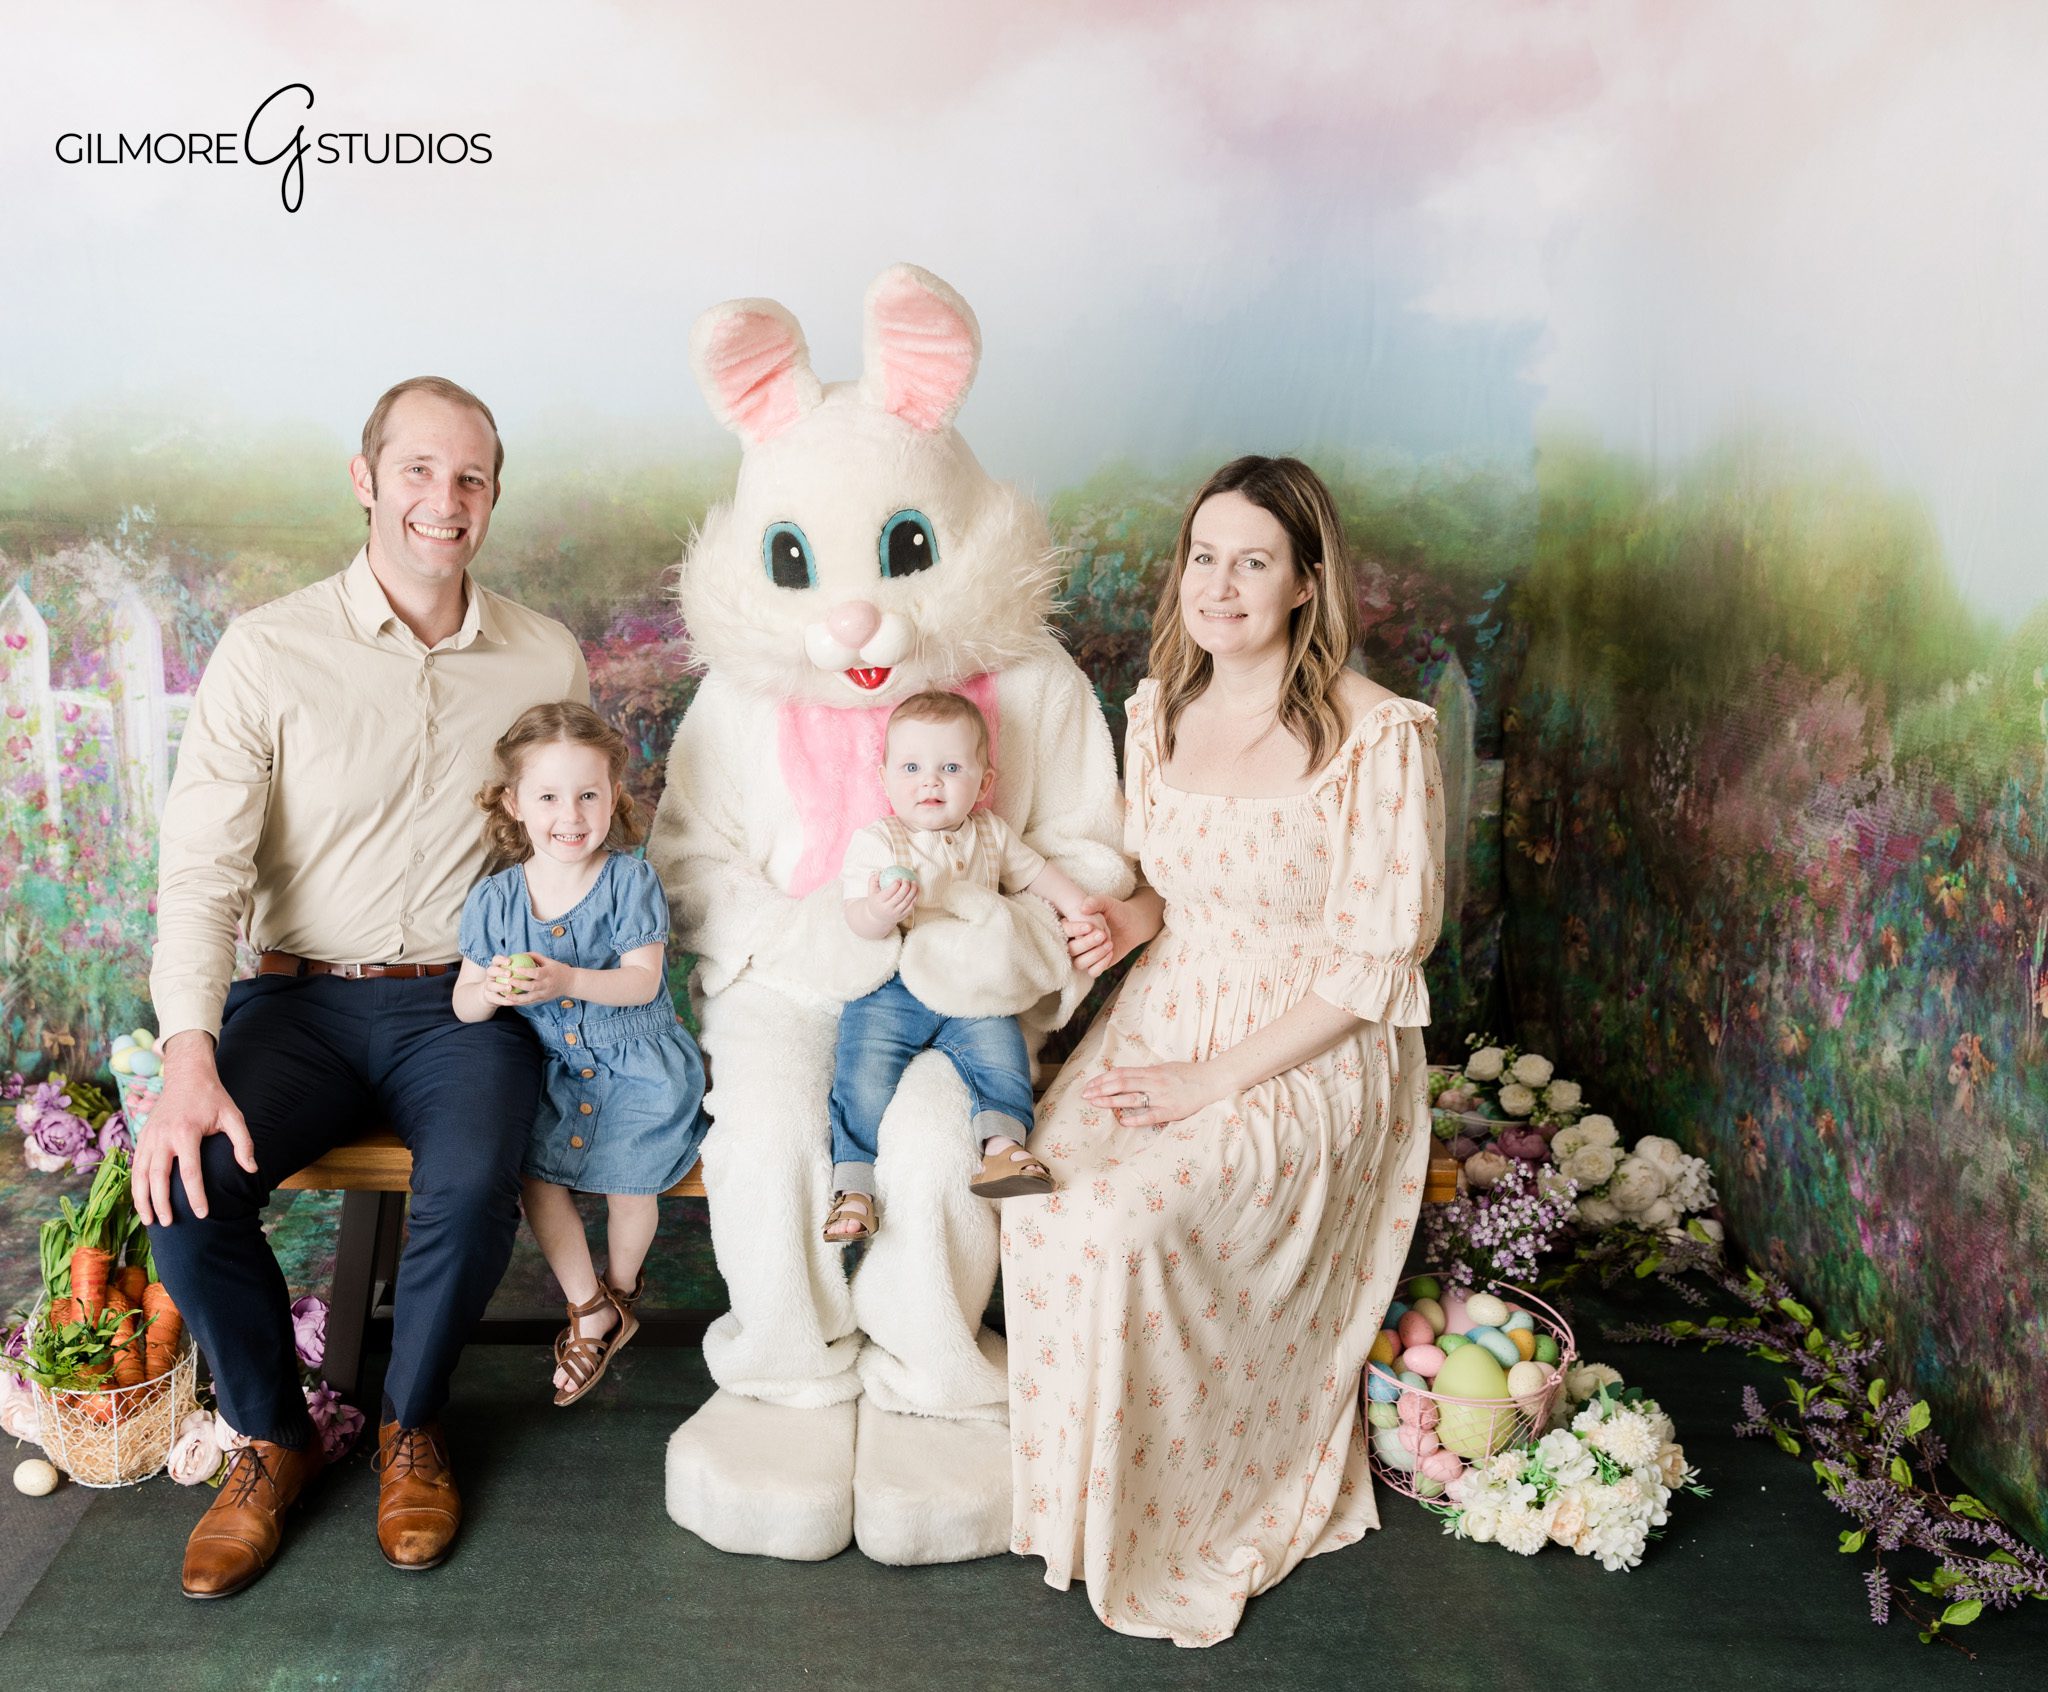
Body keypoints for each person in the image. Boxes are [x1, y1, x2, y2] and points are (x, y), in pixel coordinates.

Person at [135, 377, 589, 1599]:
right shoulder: (268, 649)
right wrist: (187, 1059)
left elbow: (575, 844)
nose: (445, 499)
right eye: (418, 470)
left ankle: (409, 1426)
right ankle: (271, 1436)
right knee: (183, 1187)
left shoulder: (543, 655)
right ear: (365, 479)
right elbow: (201, 872)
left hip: (466, 1004)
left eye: (471, 477)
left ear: (492, 496)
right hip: (299, 1003)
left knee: (475, 1176)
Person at [1003, 455, 1447, 1646]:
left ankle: (1183, 1509)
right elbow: (1177, 892)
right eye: (1204, 557)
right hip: (1169, 1005)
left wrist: (1209, 1082)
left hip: (1306, 1044)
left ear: (1305, 582)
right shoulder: (1159, 709)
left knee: (1124, 1223)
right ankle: (1071, 1498)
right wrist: (1124, 924)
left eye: (1253, 562)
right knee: (1038, 1195)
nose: (1219, 584)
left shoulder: (1376, 735)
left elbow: (1370, 967)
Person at [453, 702, 708, 1402]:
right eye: (548, 797)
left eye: (588, 795)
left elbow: (642, 981)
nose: (571, 815)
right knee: (537, 1180)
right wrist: (493, 991)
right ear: (514, 803)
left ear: (614, 796)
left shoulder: (629, 881)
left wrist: (565, 980)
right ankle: (588, 1306)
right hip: (552, 1069)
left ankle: (620, 1292)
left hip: (638, 1066)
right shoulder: (494, 899)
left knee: (631, 1183)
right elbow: (465, 1001)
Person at [824, 691, 1106, 1243]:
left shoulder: (990, 833)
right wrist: (878, 911)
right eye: (911, 768)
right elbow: (855, 917)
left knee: (1002, 1055)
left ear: (983, 781)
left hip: (971, 985)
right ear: (884, 779)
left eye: (951, 768)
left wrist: (1080, 907)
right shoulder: (880, 840)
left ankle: (1002, 1148)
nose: (930, 782)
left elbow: (1036, 874)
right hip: (896, 985)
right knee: (862, 1070)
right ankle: (854, 1183)